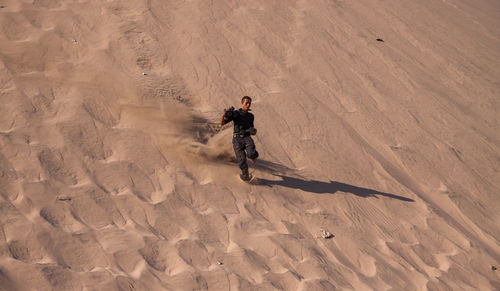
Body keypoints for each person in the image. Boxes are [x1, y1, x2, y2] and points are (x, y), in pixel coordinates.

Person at [221, 96, 259, 181]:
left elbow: (252, 129)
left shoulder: (251, 116)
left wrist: (254, 131)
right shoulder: (236, 113)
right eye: (246, 103)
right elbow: (222, 123)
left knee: (251, 154)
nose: (248, 105)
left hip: (247, 137)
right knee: (241, 160)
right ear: (242, 103)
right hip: (237, 139)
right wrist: (224, 115)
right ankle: (245, 176)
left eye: (249, 103)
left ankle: (254, 156)